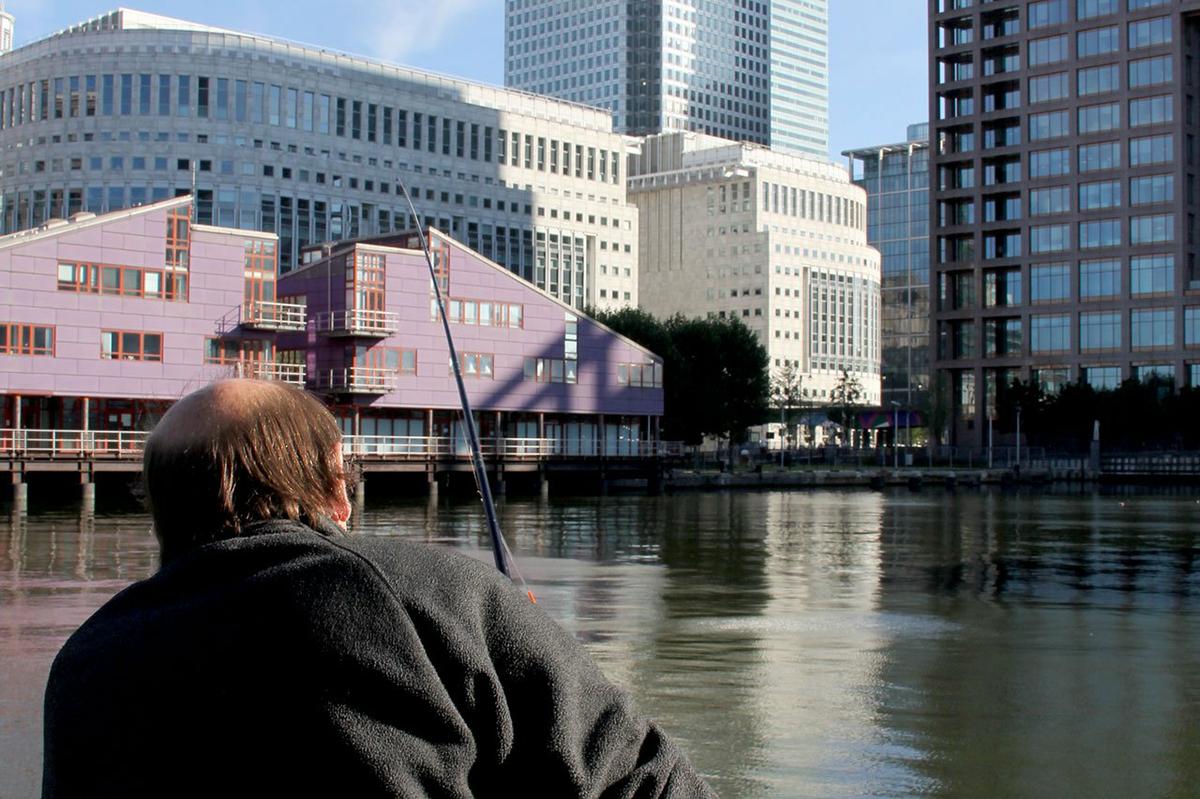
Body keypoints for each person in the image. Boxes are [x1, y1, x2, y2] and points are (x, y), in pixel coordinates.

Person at [42, 379, 714, 798]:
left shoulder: (82, 664)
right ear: (337, 482)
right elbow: (643, 780)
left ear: (161, 510)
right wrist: (517, 634)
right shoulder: (441, 595)